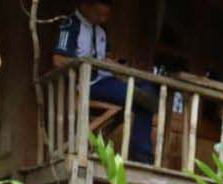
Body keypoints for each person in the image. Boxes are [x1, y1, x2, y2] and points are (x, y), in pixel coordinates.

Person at [53, 0, 158, 163]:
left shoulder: (101, 32)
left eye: (106, 16)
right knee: (142, 99)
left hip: (107, 80)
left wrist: (115, 65)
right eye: (99, 14)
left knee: (147, 90)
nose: (102, 19)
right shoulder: (71, 24)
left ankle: (143, 155)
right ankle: (143, 155)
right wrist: (86, 63)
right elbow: (59, 59)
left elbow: (107, 59)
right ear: (86, 6)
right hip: (89, 84)